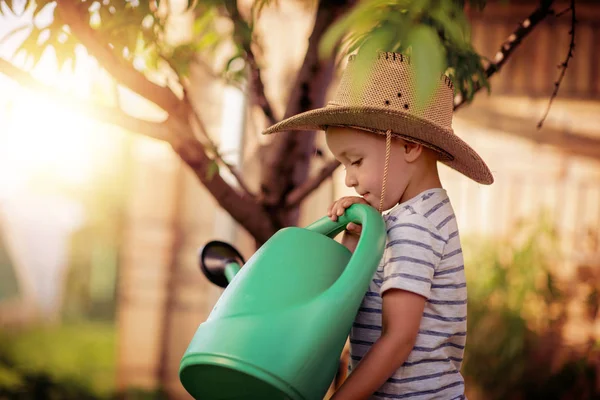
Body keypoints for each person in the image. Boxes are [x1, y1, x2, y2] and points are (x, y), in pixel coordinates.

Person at [263, 51, 493, 399]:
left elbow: (398, 338)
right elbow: (352, 298)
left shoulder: (416, 227)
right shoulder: (410, 219)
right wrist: (356, 240)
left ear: (410, 145)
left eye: (355, 161)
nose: (349, 179)